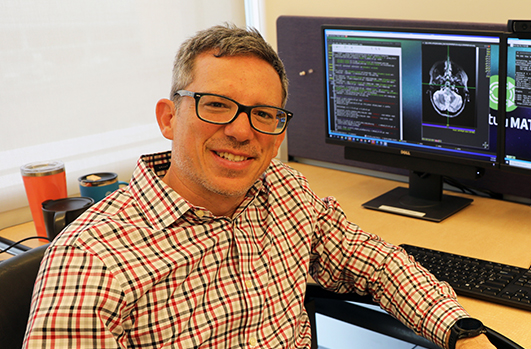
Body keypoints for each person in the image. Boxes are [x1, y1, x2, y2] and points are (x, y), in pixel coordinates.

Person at [23, 24, 496, 349]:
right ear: (169, 119)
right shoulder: (92, 260)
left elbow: (375, 262)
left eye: (264, 114)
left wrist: (461, 328)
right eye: (217, 105)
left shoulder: (285, 194)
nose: (242, 132)